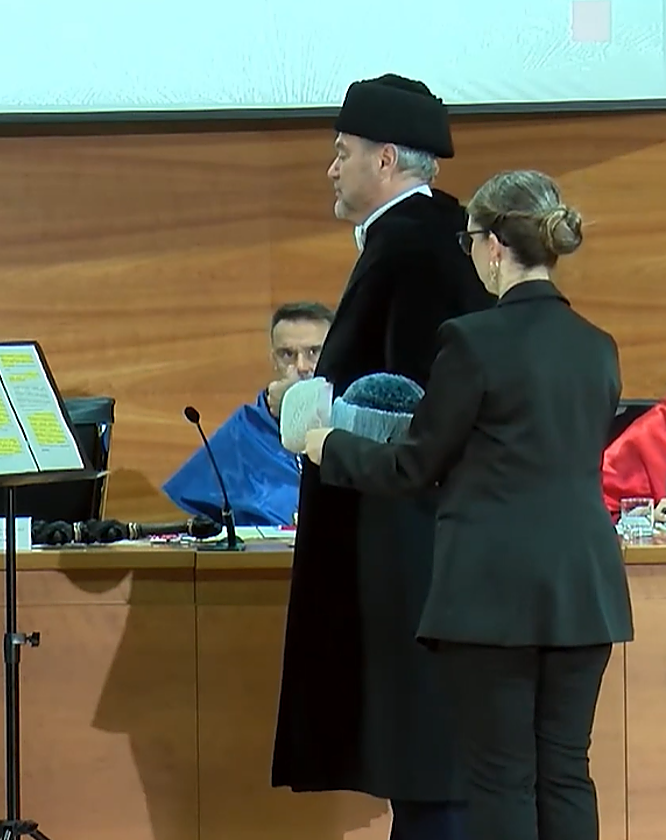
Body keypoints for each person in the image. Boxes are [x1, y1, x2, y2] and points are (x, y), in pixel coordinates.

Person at [303, 169, 634, 840]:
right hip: (584, 589)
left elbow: (416, 464)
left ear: (492, 245)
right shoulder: (597, 347)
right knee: (566, 772)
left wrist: (328, 445)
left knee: (501, 778)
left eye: (470, 239)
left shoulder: (471, 341)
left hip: (493, 594)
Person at [271, 73, 497, 840]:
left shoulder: (417, 250)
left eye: (343, 152)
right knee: (421, 768)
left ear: (387, 158)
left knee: (429, 764)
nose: (331, 168)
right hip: (413, 546)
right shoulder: (430, 238)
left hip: (412, 551)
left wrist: (310, 413)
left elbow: (419, 412)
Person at [162, 301, 332, 527]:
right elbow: (193, 519)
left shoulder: (356, 423)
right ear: (274, 360)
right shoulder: (242, 431)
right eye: (287, 354)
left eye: (314, 352)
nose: (301, 366)